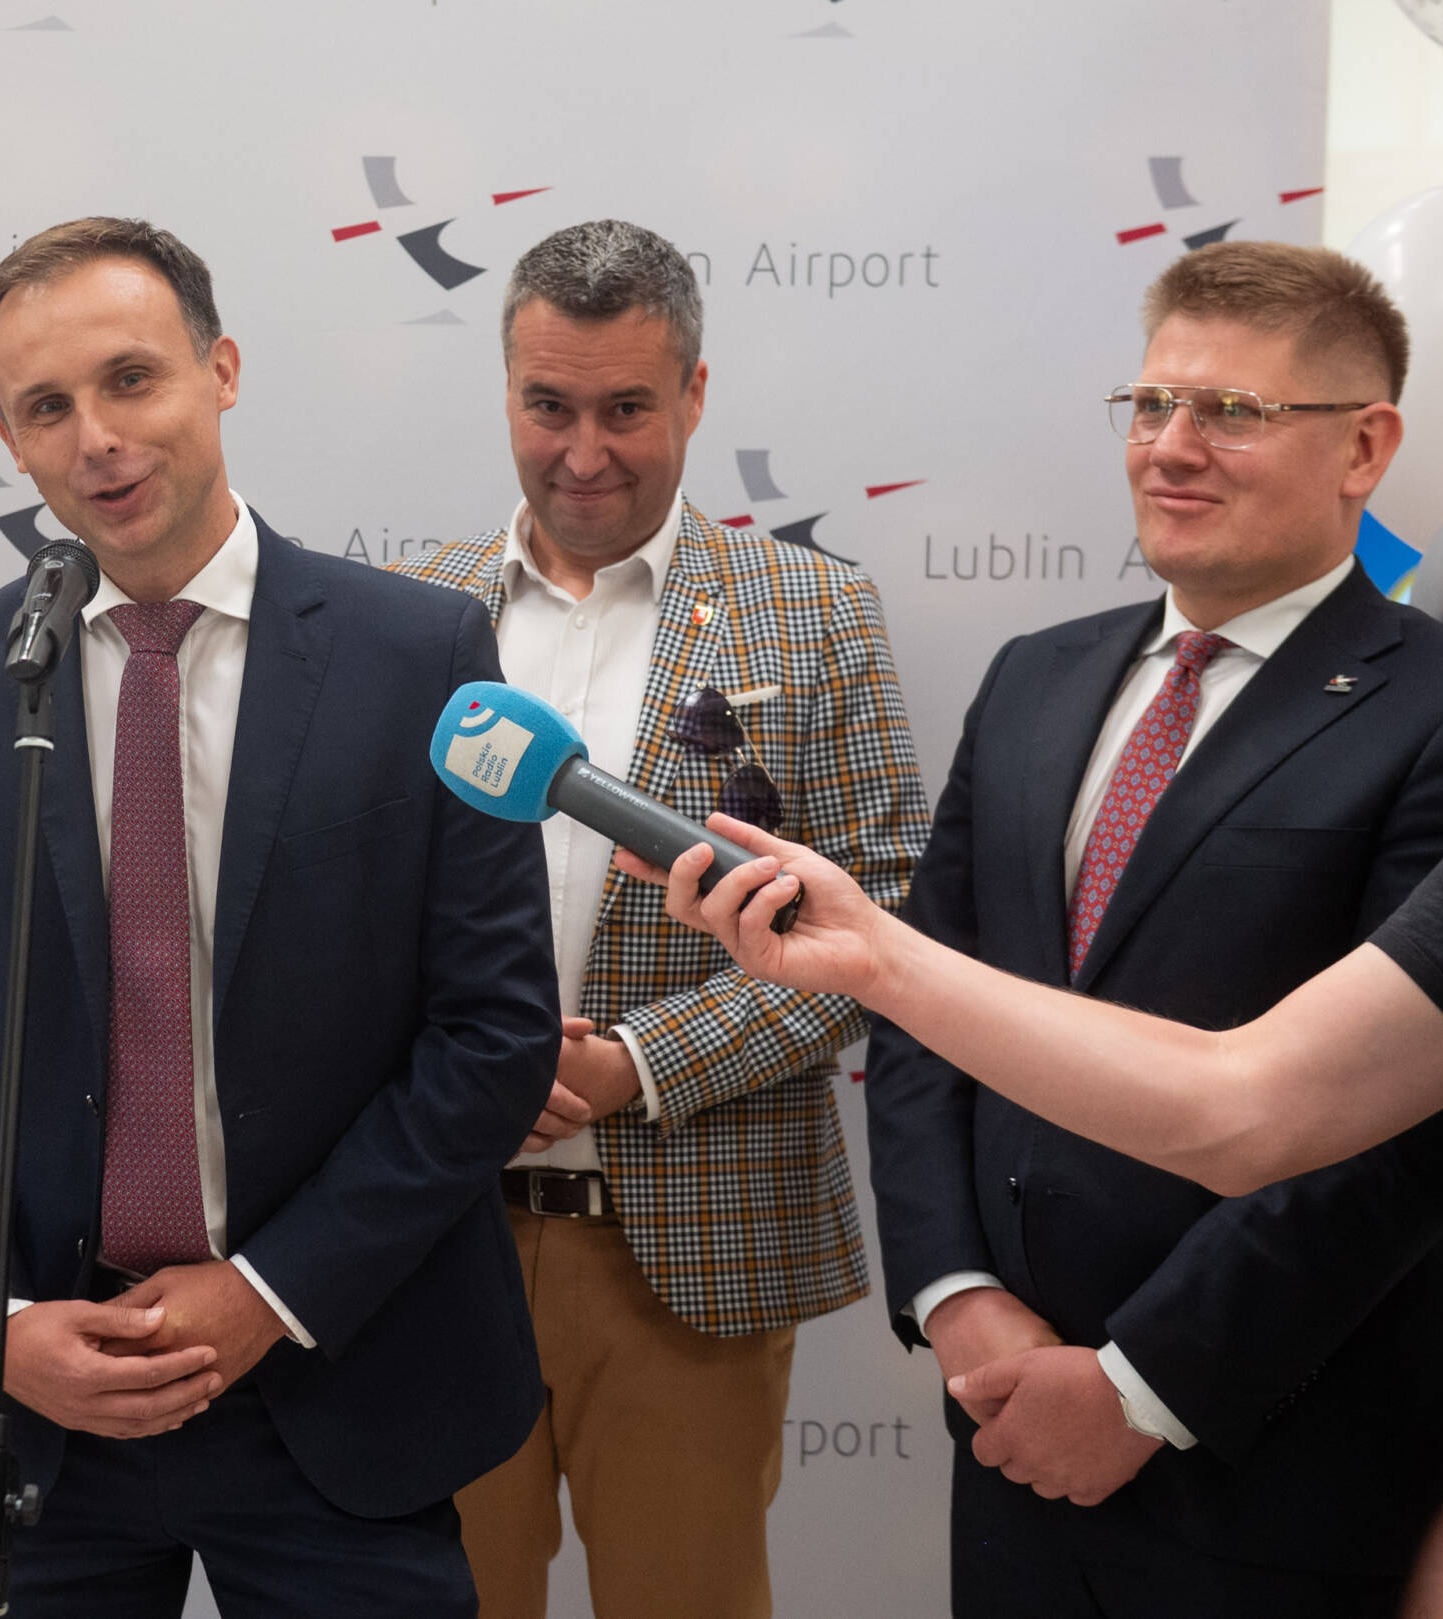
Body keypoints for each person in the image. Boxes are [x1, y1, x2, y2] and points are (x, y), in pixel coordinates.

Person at [0, 217, 560, 1617]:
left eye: (132, 379)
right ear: (10, 440)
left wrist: (269, 1294)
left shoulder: (418, 654)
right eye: (47, 407)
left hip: (340, 1382)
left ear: (220, 370)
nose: (98, 438)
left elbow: (492, 1036)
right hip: (51, 1410)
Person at [844, 239, 1443, 1617]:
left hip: (1284, 1465)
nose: (1172, 447)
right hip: (1011, 1435)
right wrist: (958, 1297)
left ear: (1366, 446)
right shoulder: (1035, 678)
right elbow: (920, 1005)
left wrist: (1141, 1388)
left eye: (1234, 411)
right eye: (1151, 405)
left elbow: (1406, 1125)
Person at [389, 219, 928, 1619]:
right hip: (432, 1242)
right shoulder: (407, 620)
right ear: (508, 391)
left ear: (694, 393)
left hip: (697, 1251)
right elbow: (338, 924)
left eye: (627, 408)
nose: (584, 453)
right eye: (548, 406)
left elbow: (883, 930)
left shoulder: (814, 615)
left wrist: (636, 1064)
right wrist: (460, 1073)